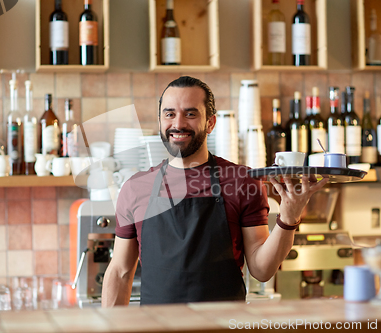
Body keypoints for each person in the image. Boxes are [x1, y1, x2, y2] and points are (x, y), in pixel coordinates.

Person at [102, 76, 328, 306]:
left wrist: (288, 219)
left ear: (211, 123)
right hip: (155, 327)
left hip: (222, 326)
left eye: (190, 114)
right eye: (169, 114)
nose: (178, 123)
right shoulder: (135, 188)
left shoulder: (243, 181)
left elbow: (262, 270)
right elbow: (120, 271)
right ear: (160, 120)